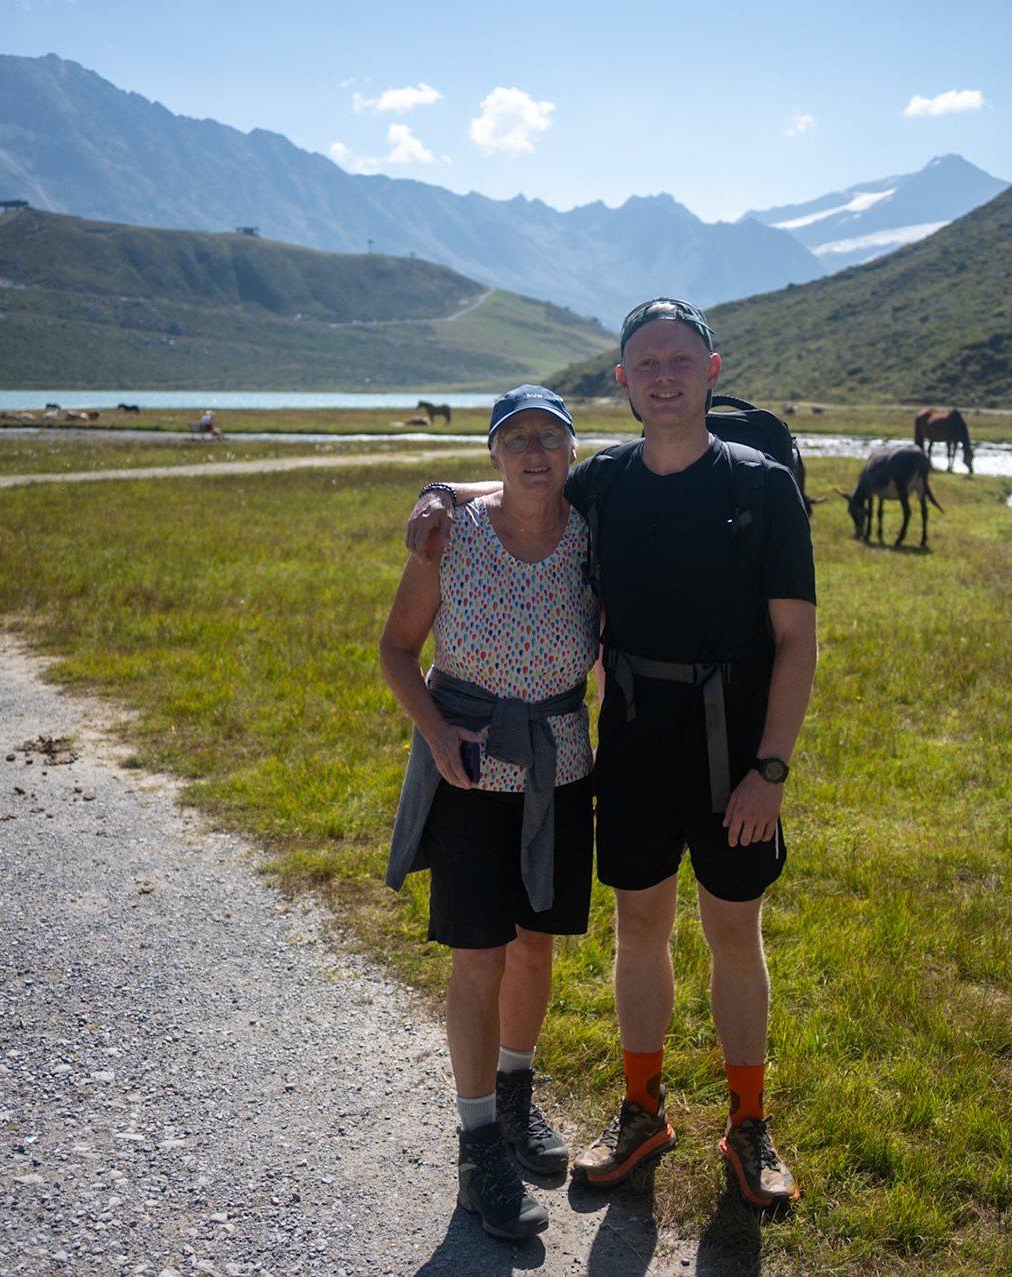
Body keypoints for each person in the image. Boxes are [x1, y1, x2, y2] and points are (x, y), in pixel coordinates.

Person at [407, 299, 817, 1210]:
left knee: (734, 932)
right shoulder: (605, 481)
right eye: (646, 363)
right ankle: (642, 1111)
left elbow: (797, 641)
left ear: (711, 371)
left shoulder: (762, 487)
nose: (664, 376)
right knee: (639, 928)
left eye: (681, 360)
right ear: (624, 380)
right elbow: (523, 488)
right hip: (632, 741)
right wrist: (442, 493)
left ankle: (750, 1123)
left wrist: (772, 767)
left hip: (736, 750)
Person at [381, 384, 598, 1241]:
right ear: (495, 455)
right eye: (517, 438)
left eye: (550, 437)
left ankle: (515, 1097)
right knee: (479, 958)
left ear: (573, 450)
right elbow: (398, 649)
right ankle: (478, 1151)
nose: (535, 451)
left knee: (536, 947)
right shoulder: (453, 537)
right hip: (469, 774)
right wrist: (437, 737)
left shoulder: (591, 533)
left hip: (559, 769)